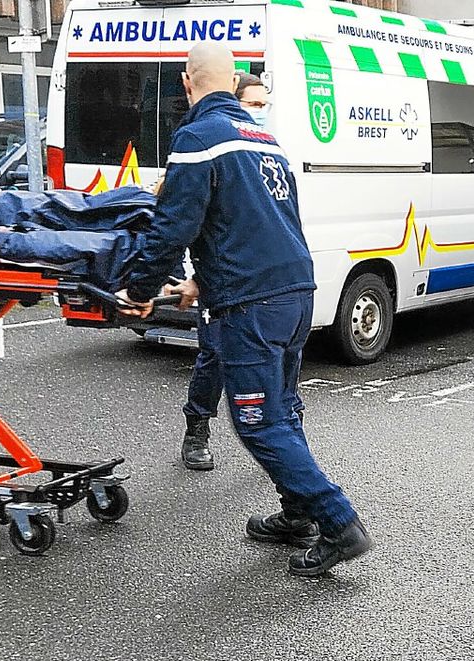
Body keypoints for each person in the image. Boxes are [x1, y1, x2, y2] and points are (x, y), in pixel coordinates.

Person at [118, 42, 372, 576]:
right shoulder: (265, 140)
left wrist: (140, 287)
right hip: (295, 293)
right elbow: (253, 224)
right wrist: (201, 280)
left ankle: (338, 521)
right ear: (233, 84)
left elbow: (173, 226)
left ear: (188, 84)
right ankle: (298, 514)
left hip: (252, 306)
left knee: (257, 421)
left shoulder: (198, 138)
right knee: (283, 409)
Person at [180, 71, 276, 472]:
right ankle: (197, 430)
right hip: (219, 276)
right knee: (216, 354)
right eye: (253, 104)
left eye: (264, 104)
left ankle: (285, 432)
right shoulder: (205, 143)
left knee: (277, 358)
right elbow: (186, 218)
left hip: (262, 277)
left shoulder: (265, 147)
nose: (260, 112)